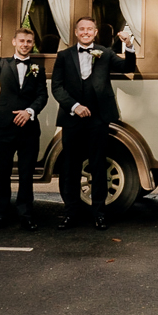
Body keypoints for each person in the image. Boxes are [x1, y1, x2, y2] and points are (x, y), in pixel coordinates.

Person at [50, 16, 137, 230]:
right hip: (72, 118)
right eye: (82, 29)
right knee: (71, 167)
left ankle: (99, 214)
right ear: (76, 32)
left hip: (98, 118)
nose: (86, 32)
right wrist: (74, 106)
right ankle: (70, 214)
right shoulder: (63, 56)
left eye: (90, 29)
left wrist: (128, 45)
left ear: (95, 32)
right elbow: (57, 87)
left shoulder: (105, 53)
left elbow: (128, 66)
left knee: (98, 165)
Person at [0, 26, 49, 230]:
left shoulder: (38, 68)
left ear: (32, 43)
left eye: (29, 42)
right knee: (3, 173)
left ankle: (26, 215)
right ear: (14, 42)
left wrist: (29, 111)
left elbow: (42, 96)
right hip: (3, 126)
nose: (25, 45)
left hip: (28, 128)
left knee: (26, 174)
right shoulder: (2, 64)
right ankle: (1, 215)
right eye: (22, 41)